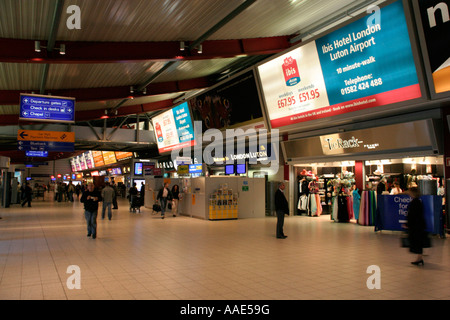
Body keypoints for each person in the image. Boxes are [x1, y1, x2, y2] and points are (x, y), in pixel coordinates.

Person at [406, 187, 428, 266]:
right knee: (419, 242)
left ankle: (419, 258)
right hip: (419, 225)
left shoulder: (415, 202)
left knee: (417, 241)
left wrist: (408, 224)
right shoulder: (418, 201)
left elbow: (412, 215)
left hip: (416, 226)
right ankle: (419, 258)